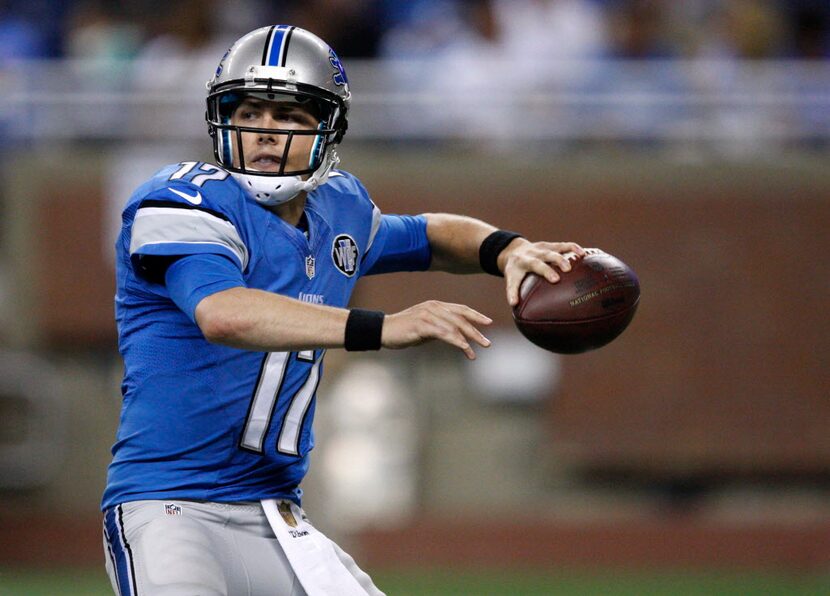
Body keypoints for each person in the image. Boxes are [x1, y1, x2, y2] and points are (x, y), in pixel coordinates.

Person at [101, 25, 583, 596]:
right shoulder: (181, 199)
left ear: (328, 129)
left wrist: (507, 250)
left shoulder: (340, 210)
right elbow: (224, 314)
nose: (264, 133)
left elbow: (430, 234)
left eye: (289, 117)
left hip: (275, 517)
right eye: (250, 111)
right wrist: (383, 328)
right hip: (171, 506)